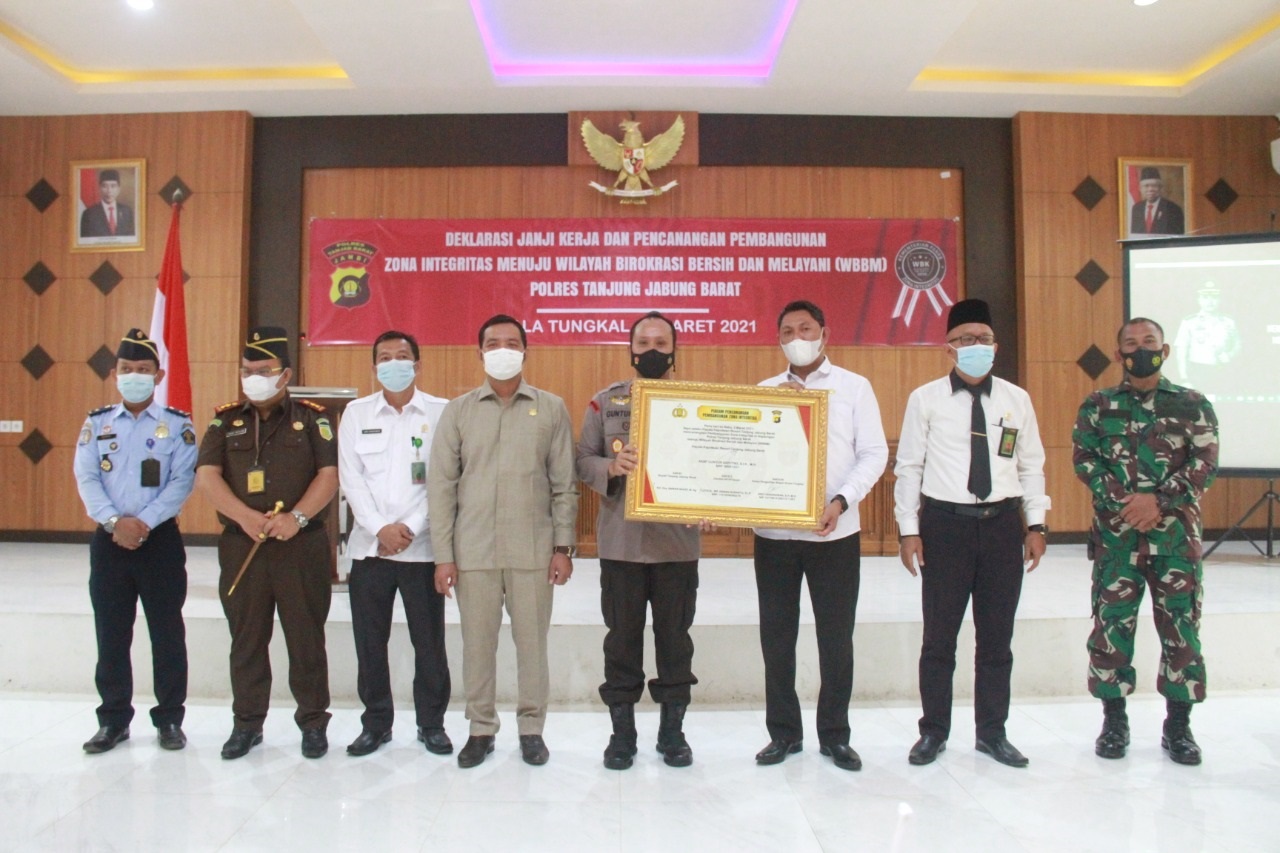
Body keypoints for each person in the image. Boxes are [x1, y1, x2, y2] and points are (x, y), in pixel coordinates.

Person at [894, 298, 1049, 769]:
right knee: (939, 639)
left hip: (1002, 527)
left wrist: (1036, 524)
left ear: (995, 347)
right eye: (965, 339)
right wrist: (908, 530)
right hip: (945, 527)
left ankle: (992, 733)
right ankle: (933, 732)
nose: (975, 345)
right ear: (949, 348)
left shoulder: (1017, 400)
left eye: (983, 338)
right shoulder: (925, 399)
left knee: (996, 639)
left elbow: (1031, 465)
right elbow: (909, 467)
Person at [428, 314, 578, 768]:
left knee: (532, 647)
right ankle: (480, 728)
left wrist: (563, 547)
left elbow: (564, 485)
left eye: (512, 343)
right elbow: (442, 487)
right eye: (493, 343)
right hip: (473, 552)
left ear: (525, 351)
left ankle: (532, 729)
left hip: (533, 550)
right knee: (477, 647)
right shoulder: (458, 411)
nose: (503, 350)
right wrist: (443, 556)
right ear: (479, 353)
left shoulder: (551, 408)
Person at [1072, 317, 1219, 766]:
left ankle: (1179, 726)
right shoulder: (1098, 405)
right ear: (1119, 354)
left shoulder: (1192, 405)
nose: (1141, 350)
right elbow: (1085, 460)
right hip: (1117, 541)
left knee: (1181, 631)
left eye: (1149, 342)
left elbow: (1205, 461)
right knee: (1111, 629)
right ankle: (1114, 722)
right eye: (1132, 344)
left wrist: (1158, 501)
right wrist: (1127, 503)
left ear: (1164, 350)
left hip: (1175, 540)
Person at [752, 300, 889, 771]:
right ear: (779, 340)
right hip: (774, 537)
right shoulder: (764, 392)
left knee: (836, 640)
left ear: (825, 334)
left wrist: (841, 501)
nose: (798, 337)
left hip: (835, 535)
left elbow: (874, 454)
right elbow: (749, 460)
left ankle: (835, 735)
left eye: (806, 328)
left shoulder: (854, 388)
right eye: (788, 331)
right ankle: (783, 733)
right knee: (777, 640)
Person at [196, 327, 339, 760]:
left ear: (285, 374)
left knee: (306, 638)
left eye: (263, 370)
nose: (253, 378)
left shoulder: (312, 419)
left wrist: (297, 518)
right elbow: (207, 476)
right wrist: (244, 516)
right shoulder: (225, 421)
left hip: (300, 546)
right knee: (247, 639)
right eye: (247, 371)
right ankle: (247, 724)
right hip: (244, 546)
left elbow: (328, 475)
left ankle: (313, 723)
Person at [576, 311, 703, 770]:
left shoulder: (698, 403)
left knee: (675, 641)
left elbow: (717, 463)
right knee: (622, 642)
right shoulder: (605, 403)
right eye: (643, 343)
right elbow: (582, 459)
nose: (652, 351)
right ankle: (622, 735)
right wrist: (610, 468)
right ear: (630, 351)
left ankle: (673, 733)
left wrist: (714, 500)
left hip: (677, 545)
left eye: (661, 343)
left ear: (675, 350)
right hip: (622, 546)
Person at [73, 328, 197, 754]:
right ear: (114, 374)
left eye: (143, 370)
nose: (135, 376)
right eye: (127, 369)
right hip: (109, 542)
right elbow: (87, 477)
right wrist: (114, 522)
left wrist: (142, 523)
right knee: (111, 634)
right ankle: (112, 720)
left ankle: (170, 719)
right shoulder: (97, 423)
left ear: (158, 376)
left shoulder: (177, 425)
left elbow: (182, 481)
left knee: (167, 634)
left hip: (159, 542)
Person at [338, 330, 453, 757]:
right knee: (370, 643)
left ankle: (431, 723)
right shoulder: (356, 413)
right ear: (374, 368)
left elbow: (445, 479)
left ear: (417, 365)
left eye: (402, 356)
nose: (393, 364)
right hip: (370, 550)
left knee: (429, 643)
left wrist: (409, 528)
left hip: (422, 550)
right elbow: (351, 479)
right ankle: (376, 723)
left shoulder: (442, 412)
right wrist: (379, 528)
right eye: (384, 358)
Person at [1173, 283, 1240, 391]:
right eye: (1205, 297)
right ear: (1198, 300)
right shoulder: (1189, 322)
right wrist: (1184, 378)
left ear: (1220, 299)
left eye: (1214, 297)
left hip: (1223, 372)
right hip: (1198, 373)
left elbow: (1237, 344)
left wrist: (1230, 355)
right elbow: (1181, 352)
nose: (1210, 302)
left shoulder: (1228, 322)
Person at [1128, 166, 1185, 236]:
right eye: (1146, 186)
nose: (1150, 189)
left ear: (1160, 188)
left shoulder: (1173, 209)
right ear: (1140, 189)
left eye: (1154, 186)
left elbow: (1178, 237)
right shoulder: (1136, 208)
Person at [79, 169, 136, 238]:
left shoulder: (127, 212)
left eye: (113, 186)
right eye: (105, 186)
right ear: (99, 188)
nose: (109, 191)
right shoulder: (89, 214)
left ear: (118, 189)